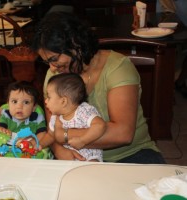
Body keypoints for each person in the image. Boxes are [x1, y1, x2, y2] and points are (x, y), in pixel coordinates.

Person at [31, 12, 166, 164]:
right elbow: (53, 127)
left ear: (75, 43)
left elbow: (123, 134)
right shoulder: (55, 76)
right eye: (47, 62)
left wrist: (64, 136)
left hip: (131, 154)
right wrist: (60, 149)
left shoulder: (117, 67)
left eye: (54, 59)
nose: (52, 67)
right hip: (76, 156)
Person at [39, 73, 105, 162]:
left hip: (89, 158)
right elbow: (51, 135)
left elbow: (100, 125)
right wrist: (39, 145)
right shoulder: (56, 117)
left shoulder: (83, 111)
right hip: (68, 159)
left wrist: (83, 140)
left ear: (63, 101)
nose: (46, 101)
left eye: (49, 97)